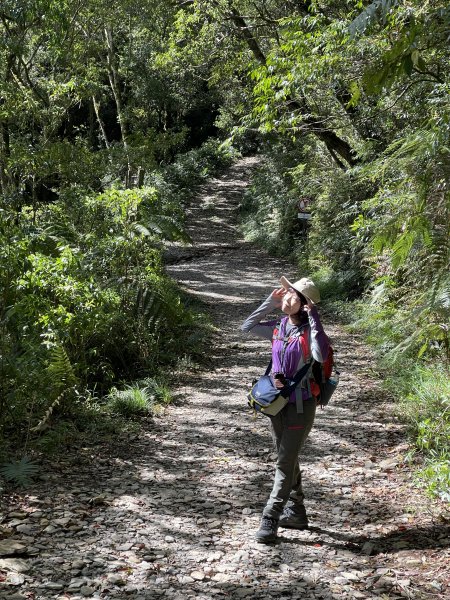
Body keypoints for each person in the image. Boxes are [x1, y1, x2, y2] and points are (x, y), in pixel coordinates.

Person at [241, 276, 330, 543]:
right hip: (276, 403)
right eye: (287, 293)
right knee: (287, 458)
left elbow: (321, 354)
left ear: (304, 305)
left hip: (300, 407)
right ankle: (298, 513)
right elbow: (247, 326)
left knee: (283, 462)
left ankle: (270, 518)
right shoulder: (279, 327)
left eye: (293, 295)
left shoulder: (309, 334)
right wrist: (270, 301)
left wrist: (314, 316)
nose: (287, 297)